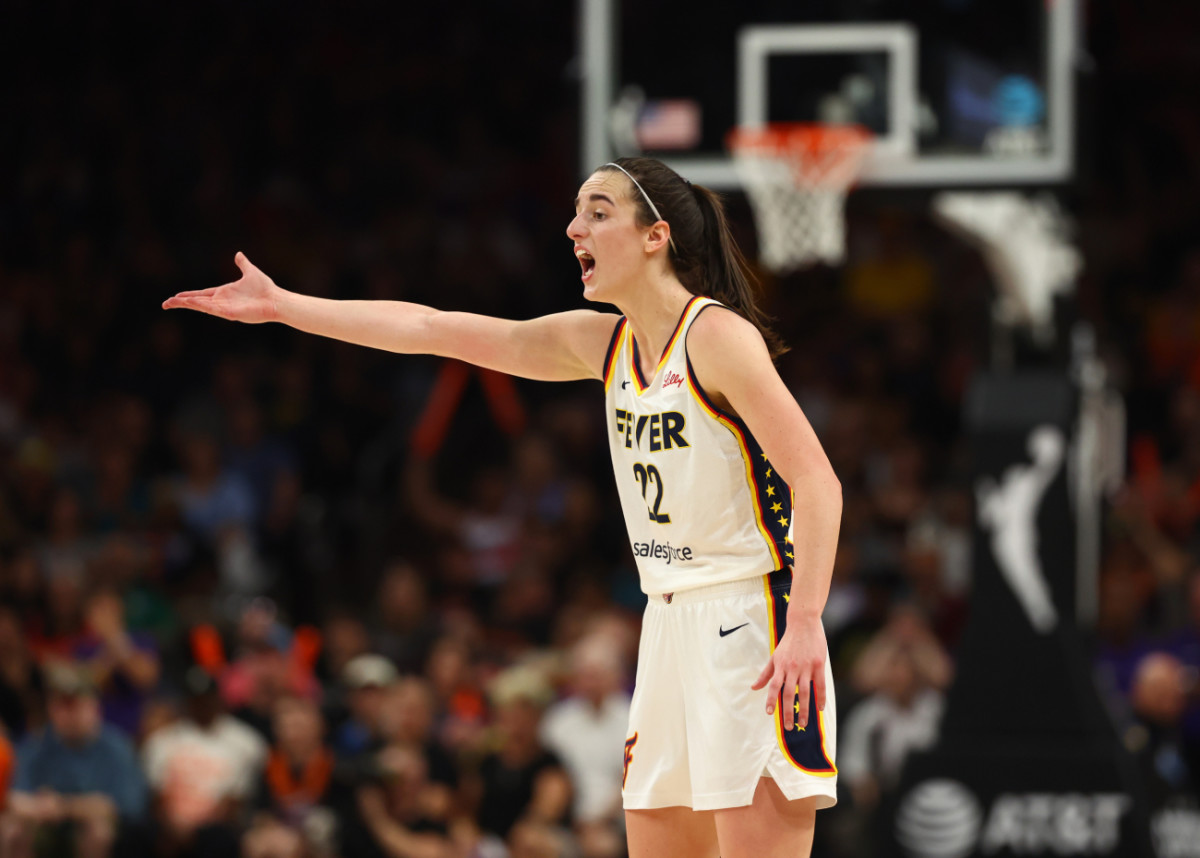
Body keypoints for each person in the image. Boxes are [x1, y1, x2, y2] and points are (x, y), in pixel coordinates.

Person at [164, 156, 843, 858]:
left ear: (655, 236)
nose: (575, 226)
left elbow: (818, 483)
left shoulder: (718, 339)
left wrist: (803, 624)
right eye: (577, 210)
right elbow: (432, 328)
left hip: (752, 616)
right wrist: (284, 307)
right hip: (667, 619)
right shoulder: (601, 344)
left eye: (599, 211)